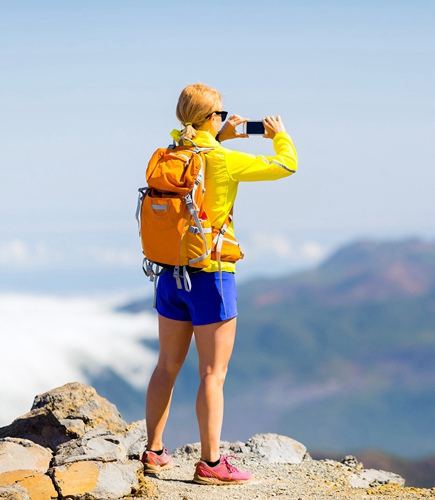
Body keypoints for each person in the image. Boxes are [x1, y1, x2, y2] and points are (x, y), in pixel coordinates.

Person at [140, 83, 297, 484]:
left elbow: (199, 149)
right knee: (212, 373)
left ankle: (154, 451)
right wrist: (280, 135)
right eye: (221, 114)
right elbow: (285, 166)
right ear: (211, 118)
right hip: (211, 276)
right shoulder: (224, 159)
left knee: (166, 365)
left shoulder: (171, 153)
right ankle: (211, 464)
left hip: (170, 273)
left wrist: (216, 134)